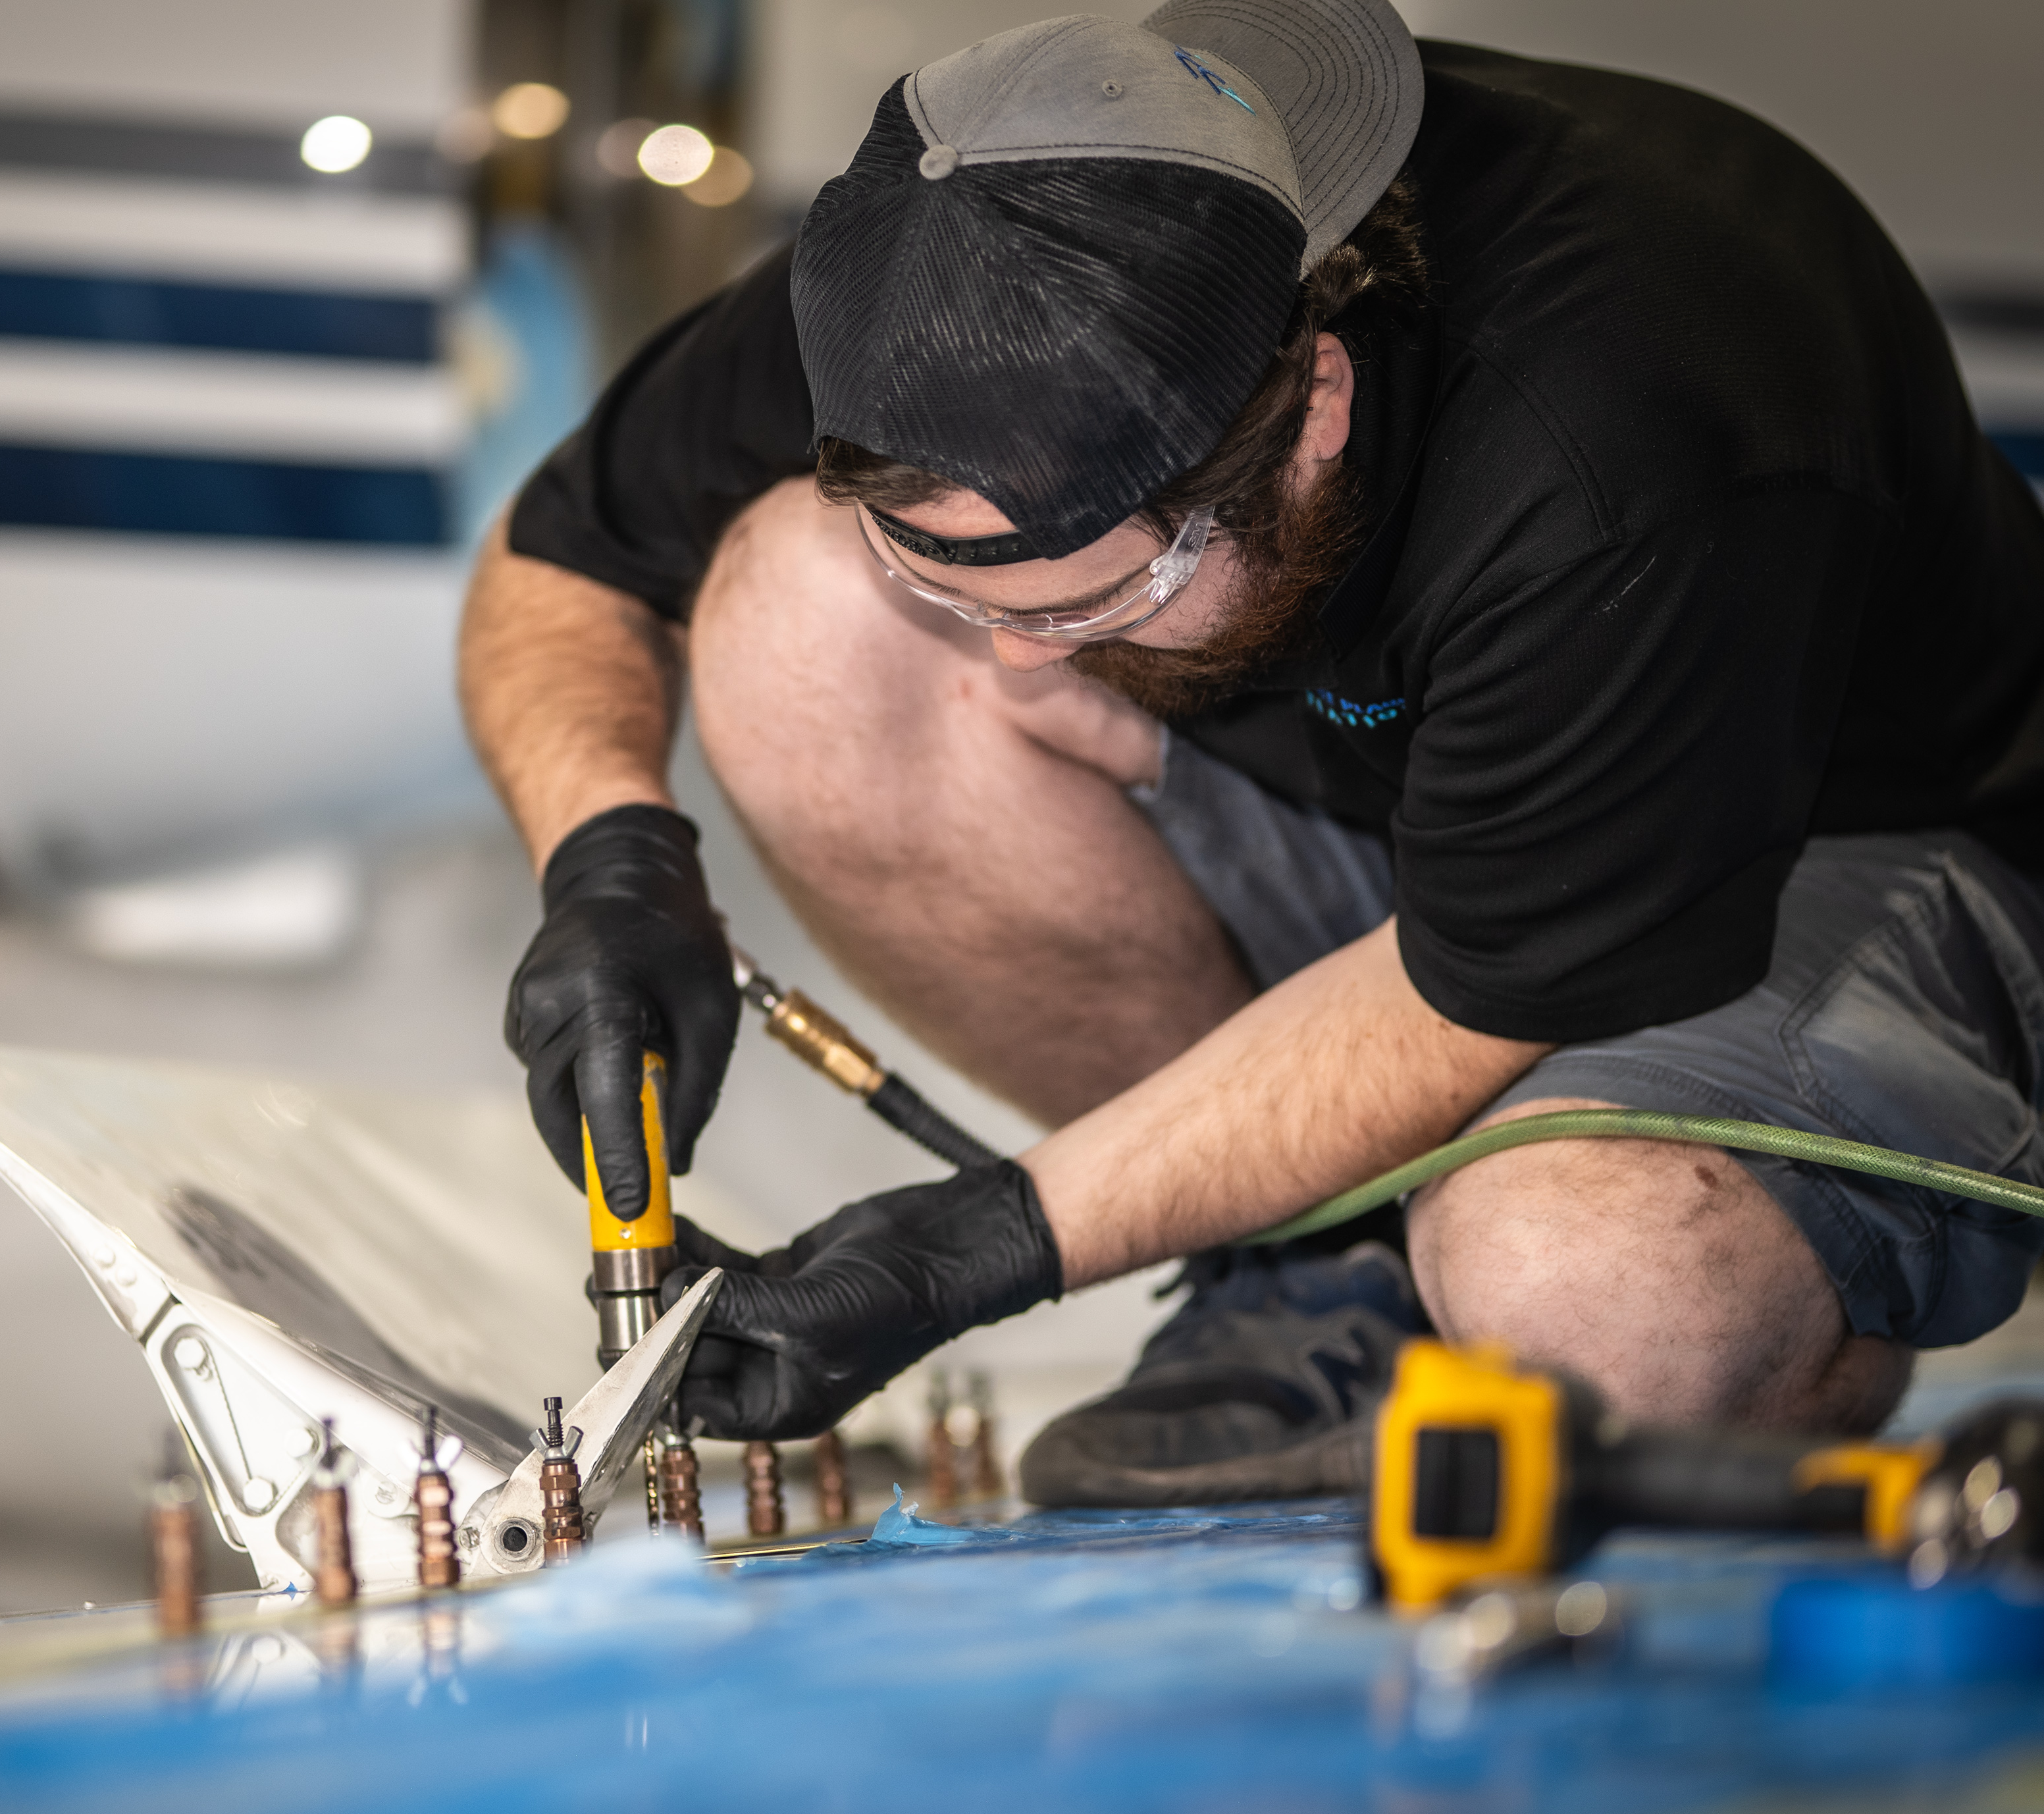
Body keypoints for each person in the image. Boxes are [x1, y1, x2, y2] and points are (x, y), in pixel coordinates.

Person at [461, 0, 2044, 1504]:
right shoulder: (968, 274)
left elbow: (1469, 996)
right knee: (791, 615)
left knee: (1596, 1294)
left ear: (1314, 407)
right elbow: (562, 555)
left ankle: (1548, 1250)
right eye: (956, 585)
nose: (1019, 665)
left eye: (1100, 593)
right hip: (1436, 834)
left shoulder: (1633, 417)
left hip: (1822, 857)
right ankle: (1315, 1270)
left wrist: (987, 1241)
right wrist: (606, 854)